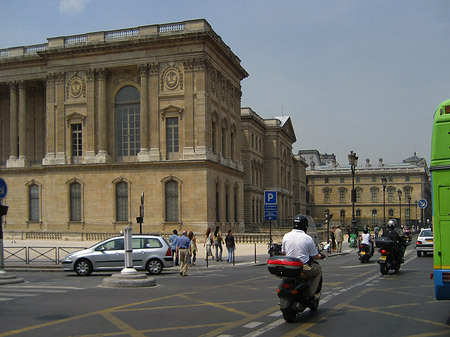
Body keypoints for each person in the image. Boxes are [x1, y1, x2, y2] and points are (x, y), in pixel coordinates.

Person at [282, 214, 325, 300]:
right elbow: (315, 256)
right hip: (302, 266)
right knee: (318, 270)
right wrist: (321, 256)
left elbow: (283, 253)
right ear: (305, 226)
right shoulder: (307, 238)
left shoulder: (286, 236)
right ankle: (312, 294)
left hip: (289, 265)